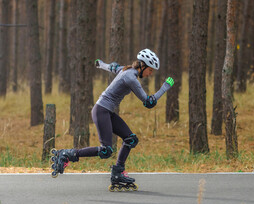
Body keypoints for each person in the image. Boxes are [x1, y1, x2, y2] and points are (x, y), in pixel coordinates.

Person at [51, 49, 174, 191]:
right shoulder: (131, 78)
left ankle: (118, 173)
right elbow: (148, 102)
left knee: (131, 139)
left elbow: (113, 67)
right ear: (143, 66)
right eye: (150, 70)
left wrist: (100, 64)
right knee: (106, 151)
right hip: (102, 110)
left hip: (106, 111)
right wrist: (165, 87)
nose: (150, 74)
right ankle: (67, 154)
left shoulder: (127, 70)